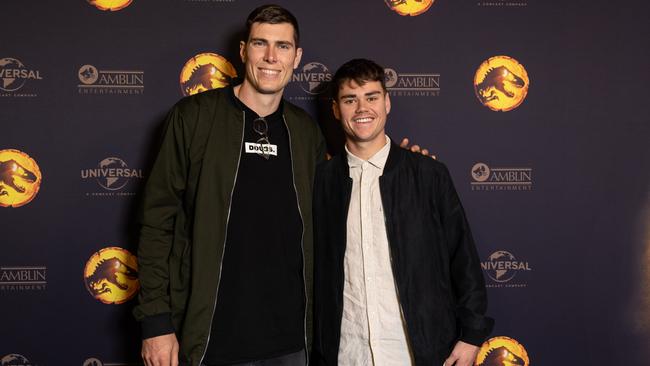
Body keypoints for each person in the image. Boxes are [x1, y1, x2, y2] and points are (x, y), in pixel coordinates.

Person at [133, 5, 324, 366]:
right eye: (260, 44)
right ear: (242, 51)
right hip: (210, 339)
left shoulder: (306, 132)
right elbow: (156, 222)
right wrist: (156, 322)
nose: (271, 57)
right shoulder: (194, 117)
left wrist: (400, 164)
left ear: (296, 57)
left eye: (282, 46)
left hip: (290, 344)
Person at [311, 59, 494, 366]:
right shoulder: (320, 182)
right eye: (349, 100)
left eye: (371, 97)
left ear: (387, 102)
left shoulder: (428, 174)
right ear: (335, 109)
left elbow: (462, 258)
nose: (362, 109)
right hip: (346, 354)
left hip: (416, 353)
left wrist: (472, 334)